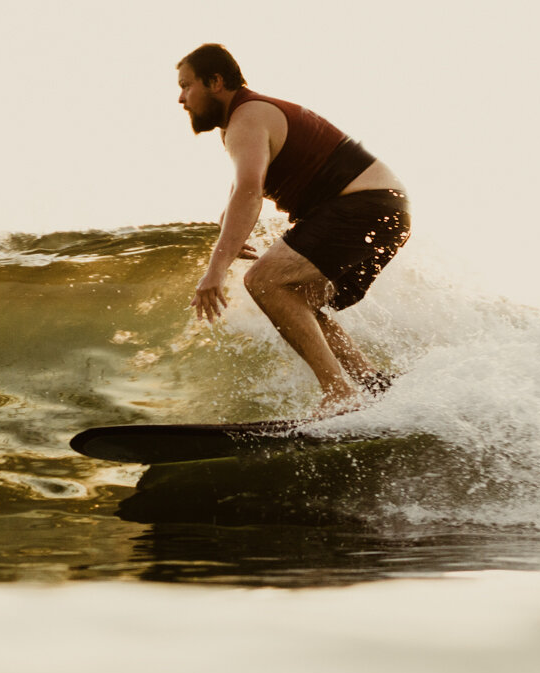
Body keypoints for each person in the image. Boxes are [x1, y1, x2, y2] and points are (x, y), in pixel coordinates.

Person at [176, 43, 411, 414]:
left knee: (264, 281)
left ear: (216, 81)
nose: (181, 98)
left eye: (187, 85)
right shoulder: (248, 119)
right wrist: (227, 220)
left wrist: (215, 271)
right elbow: (243, 187)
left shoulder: (247, 117)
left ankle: (340, 394)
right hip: (385, 209)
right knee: (296, 296)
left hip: (364, 205)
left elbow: (250, 191)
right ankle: (371, 384)